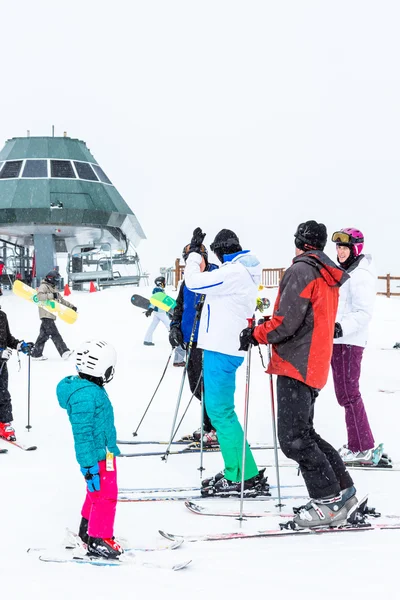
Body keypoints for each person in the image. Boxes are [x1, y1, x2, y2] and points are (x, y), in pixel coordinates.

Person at [241, 221, 358, 528]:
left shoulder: (302, 270)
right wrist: (268, 326)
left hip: (296, 363)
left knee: (293, 439)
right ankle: (342, 491)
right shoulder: (325, 272)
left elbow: (286, 323)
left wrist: (257, 333)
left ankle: (328, 502)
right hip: (314, 361)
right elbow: (305, 316)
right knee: (305, 434)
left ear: (299, 242)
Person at [184, 227, 268, 497]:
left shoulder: (234, 273)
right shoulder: (236, 271)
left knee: (221, 413)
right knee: (221, 411)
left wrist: (195, 256)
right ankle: (242, 470)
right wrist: (196, 256)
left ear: (222, 252)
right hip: (222, 348)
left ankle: (241, 473)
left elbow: (193, 282)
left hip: (221, 350)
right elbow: (207, 279)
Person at [56, 340, 122, 560]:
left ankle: (87, 529)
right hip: (96, 457)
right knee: (106, 496)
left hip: (105, 453)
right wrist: (89, 466)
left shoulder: (91, 388)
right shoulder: (85, 395)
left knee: (96, 494)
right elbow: (82, 435)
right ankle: (99, 538)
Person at [331, 228, 381, 464]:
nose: (340, 252)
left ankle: (362, 446)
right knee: (345, 394)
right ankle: (359, 442)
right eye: (339, 247)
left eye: (345, 247)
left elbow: (363, 312)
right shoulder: (347, 270)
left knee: (349, 394)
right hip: (341, 341)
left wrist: (339, 327)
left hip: (349, 342)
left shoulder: (360, 274)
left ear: (356, 248)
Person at [169, 242, 218, 443]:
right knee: (196, 386)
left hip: (210, 341)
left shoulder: (216, 276)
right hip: (190, 341)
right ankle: (209, 424)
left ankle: (214, 427)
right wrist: (174, 327)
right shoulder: (186, 282)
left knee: (208, 386)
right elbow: (179, 307)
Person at [0, 306, 34, 441]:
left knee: (3, 393)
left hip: (1, 363)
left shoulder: (2, 316)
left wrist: (19, 345)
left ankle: (4, 423)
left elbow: (7, 339)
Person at [30, 270, 76, 361]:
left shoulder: (53, 288)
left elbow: (61, 300)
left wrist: (71, 307)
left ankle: (36, 353)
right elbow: (39, 297)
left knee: (43, 335)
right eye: (56, 279)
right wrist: (51, 295)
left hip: (51, 314)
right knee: (55, 334)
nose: (57, 281)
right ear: (51, 278)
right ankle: (64, 352)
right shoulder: (44, 286)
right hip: (46, 314)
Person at [143, 276, 185, 365]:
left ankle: (147, 339)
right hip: (160, 311)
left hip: (159, 311)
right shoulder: (157, 290)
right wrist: (151, 308)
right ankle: (174, 337)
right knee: (169, 325)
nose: (164, 284)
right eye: (164, 282)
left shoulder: (159, 290)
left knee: (153, 326)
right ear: (160, 283)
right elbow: (155, 300)